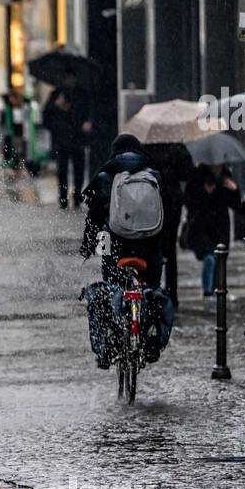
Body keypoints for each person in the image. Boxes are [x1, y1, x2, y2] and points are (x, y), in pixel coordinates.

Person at [80, 133, 173, 368]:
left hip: (114, 243)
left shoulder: (106, 175)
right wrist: (165, 247)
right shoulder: (154, 176)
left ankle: (109, 345)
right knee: (151, 290)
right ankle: (150, 342)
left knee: (110, 286)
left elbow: (94, 218)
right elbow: (168, 215)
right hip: (150, 245)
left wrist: (89, 246)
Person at [143, 141, 194, 306]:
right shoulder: (177, 147)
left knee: (152, 246)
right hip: (172, 201)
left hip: (153, 200)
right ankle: (172, 294)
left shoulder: (146, 148)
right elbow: (187, 173)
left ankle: (152, 289)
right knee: (170, 250)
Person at [183, 163, 241, 299]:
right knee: (209, 258)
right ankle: (208, 292)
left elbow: (236, 204)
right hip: (202, 226)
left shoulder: (226, 177)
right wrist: (204, 192)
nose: (217, 168)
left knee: (220, 258)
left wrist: (234, 190)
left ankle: (219, 290)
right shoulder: (198, 177)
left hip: (221, 226)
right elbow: (190, 202)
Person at [42, 69, 91, 210]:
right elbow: (46, 117)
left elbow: (87, 112)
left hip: (77, 138)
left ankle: (76, 196)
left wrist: (87, 122)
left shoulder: (82, 95)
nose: (70, 81)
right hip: (62, 138)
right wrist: (55, 106)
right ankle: (63, 197)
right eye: (67, 77)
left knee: (79, 169)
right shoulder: (57, 94)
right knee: (62, 170)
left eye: (72, 77)